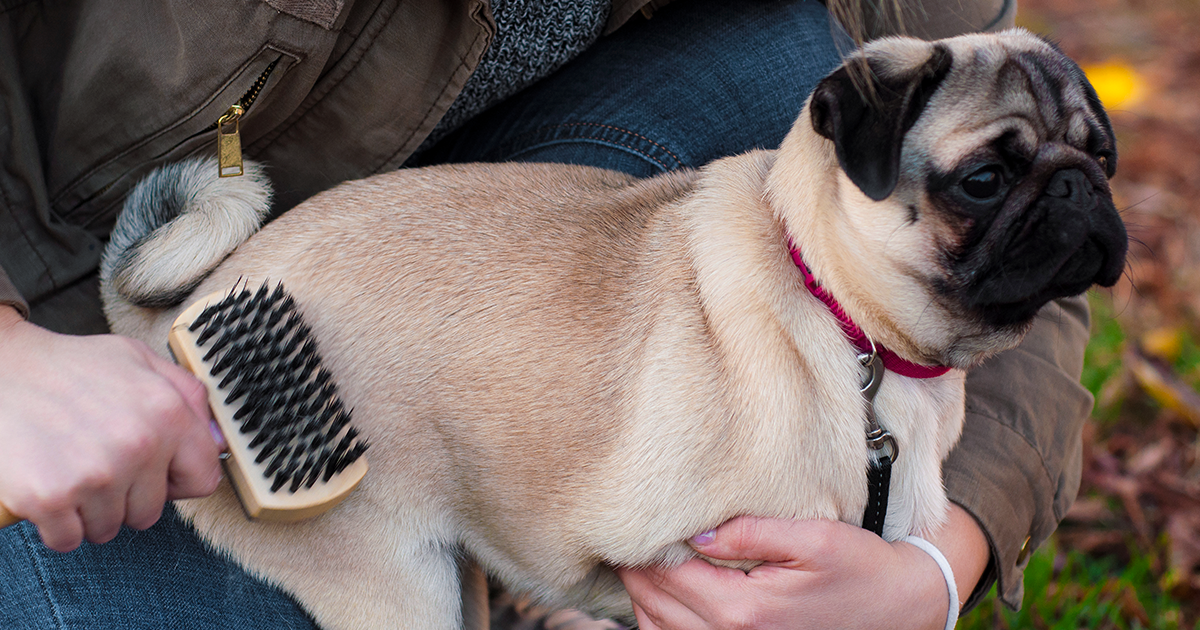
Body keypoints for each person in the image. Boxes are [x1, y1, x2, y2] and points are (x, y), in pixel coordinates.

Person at [0, 0, 1092, 628]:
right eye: (985, 184)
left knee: (795, 46)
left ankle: (538, 476)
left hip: (498, 215)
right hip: (97, 320)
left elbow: (1031, 280)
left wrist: (935, 573)